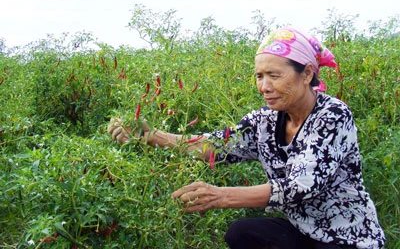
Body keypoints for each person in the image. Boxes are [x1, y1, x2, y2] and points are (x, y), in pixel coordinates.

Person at [107, 27, 385, 249]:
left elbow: (302, 186)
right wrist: (151, 135)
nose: (264, 86)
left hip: (345, 238)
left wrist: (221, 196)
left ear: (307, 73)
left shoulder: (333, 114)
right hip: (303, 232)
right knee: (241, 233)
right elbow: (215, 147)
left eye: (274, 75)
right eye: (259, 76)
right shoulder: (265, 120)